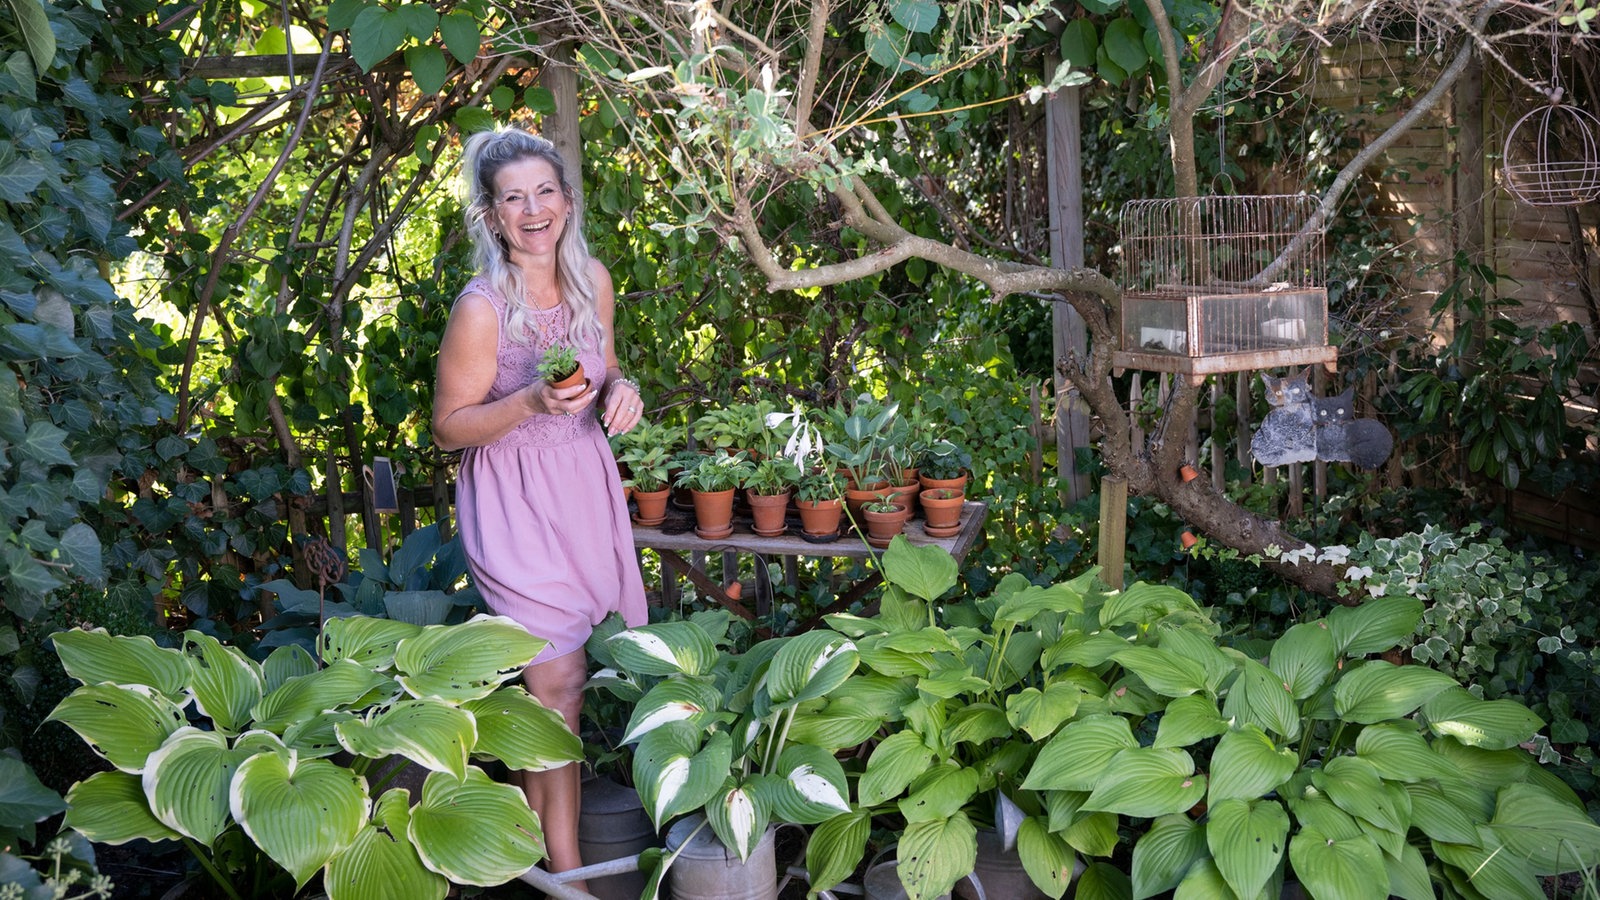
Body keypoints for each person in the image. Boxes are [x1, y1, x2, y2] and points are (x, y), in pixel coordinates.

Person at [432, 126, 649, 889]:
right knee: (552, 686)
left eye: (544, 192)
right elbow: (449, 428)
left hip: (584, 495)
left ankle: (556, 867)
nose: (532, 210)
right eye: (512, 198)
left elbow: (610, 366)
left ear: (567, 200)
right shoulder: (482, 309)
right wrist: (528, 400)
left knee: (571, 685)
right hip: (515, 505)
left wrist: (623, 391)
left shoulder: (592, 278)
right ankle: (570, 879)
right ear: (491, 217)